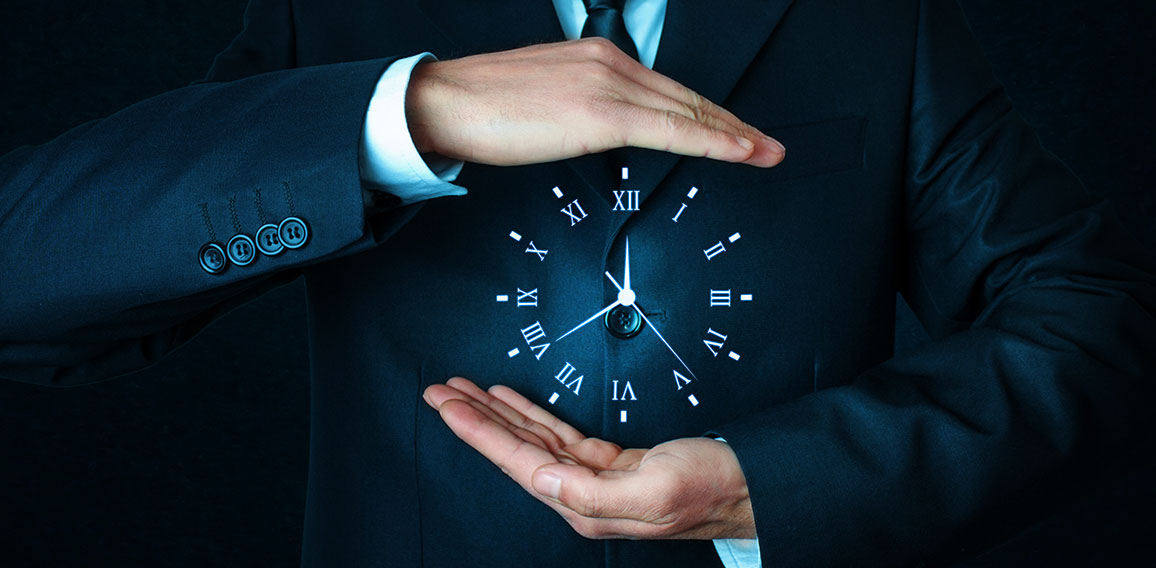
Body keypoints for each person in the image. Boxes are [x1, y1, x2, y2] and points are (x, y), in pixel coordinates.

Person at [1, 0, 1153, 566]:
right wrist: (405, 113)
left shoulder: (872, 18)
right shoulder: (334, 9)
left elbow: (1101, 326)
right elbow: (26, 281)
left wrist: (784, 485)